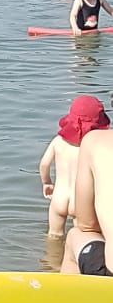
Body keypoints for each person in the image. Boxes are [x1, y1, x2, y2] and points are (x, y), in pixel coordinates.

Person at [40, 97, 109, 236]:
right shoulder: (92, 148)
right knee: (83, 235)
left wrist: (47, 183)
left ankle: (52, 257)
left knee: (53, 235)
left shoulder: (58, 141)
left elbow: (44, 164)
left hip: (58, 199)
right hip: (81, 203)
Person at [62, 116, 113, 275]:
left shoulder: (95, 140)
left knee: (75, 235)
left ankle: (68, 298)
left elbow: (87, 224)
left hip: (109, 280)